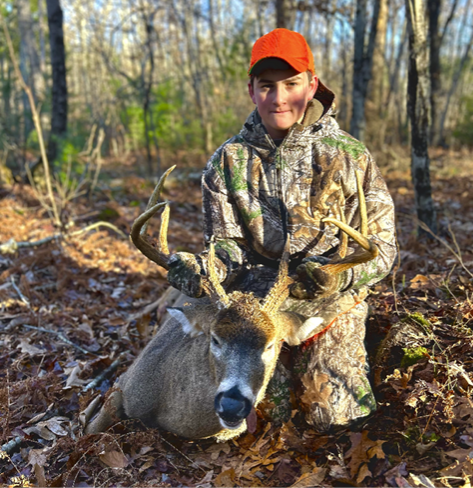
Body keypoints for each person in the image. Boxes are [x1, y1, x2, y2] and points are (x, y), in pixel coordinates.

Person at [167, 28, 396, 432]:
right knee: (249, 420)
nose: (279, 98)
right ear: (251, 90)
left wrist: (337, 275)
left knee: (334, 419)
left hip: (330, 306)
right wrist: (204, 269)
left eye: (291, 84)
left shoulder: (350, 156)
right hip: (256, 311)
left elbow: (382, 247)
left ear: (311, 85)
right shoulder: (228, 161)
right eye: (267, 86)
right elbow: (226, 247)